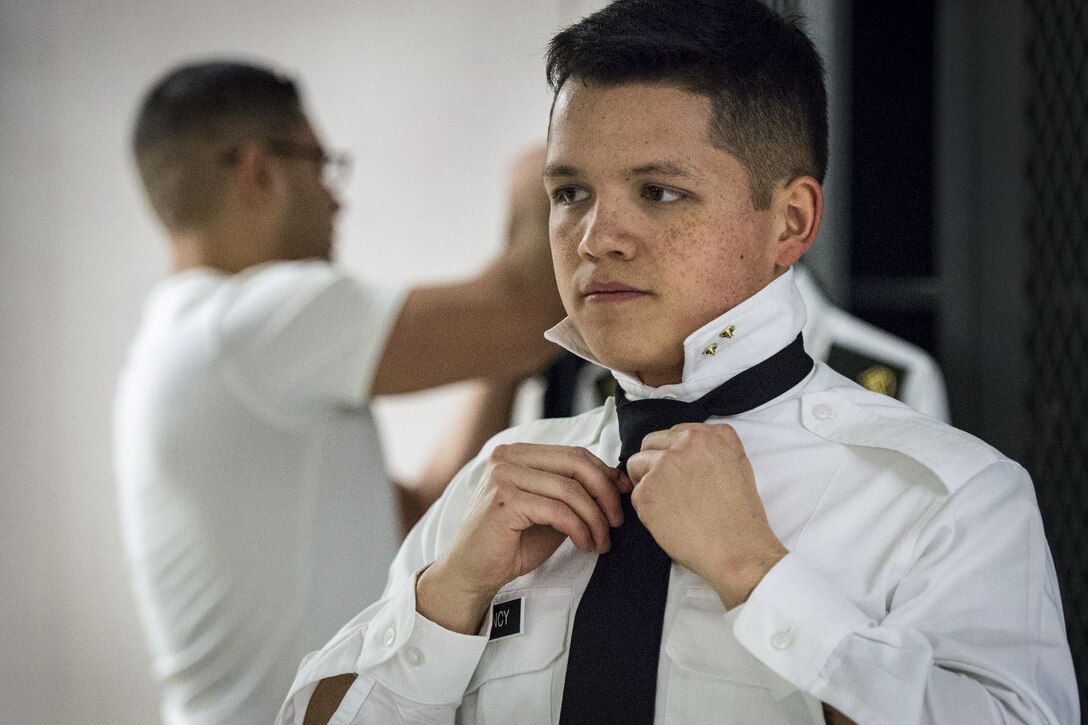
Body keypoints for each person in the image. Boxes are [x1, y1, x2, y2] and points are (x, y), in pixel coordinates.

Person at [283, 2, 1079, 723]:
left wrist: (757, 573)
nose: (596, 238)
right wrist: (447, 599)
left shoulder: (949, 497)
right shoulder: (493, 489)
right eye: (570, 193)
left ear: (791, 220)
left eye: (659, 192)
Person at [114, 60, 563, 725]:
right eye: (321, 165)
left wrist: (501, 364)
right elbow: (529, 311)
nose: (335, 197)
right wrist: (544, 175)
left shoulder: (190, 344)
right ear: (258, 170)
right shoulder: (246, 324)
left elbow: (411, 519)